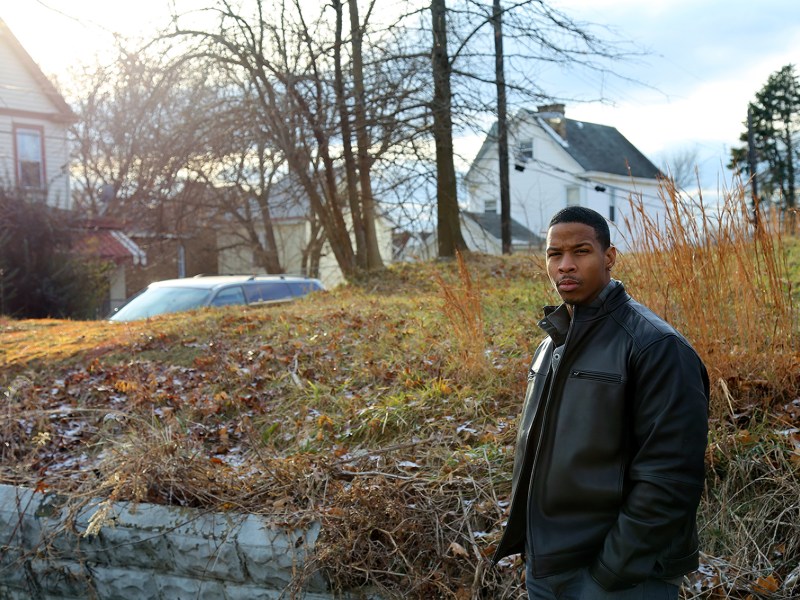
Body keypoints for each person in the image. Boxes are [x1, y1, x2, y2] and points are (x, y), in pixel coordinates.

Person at [493, 206, 709, 599]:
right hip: (548, 569)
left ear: (608, 257)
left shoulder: (656, 346)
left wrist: (608, 574)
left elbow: (671, 478)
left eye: (581, 251)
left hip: (621, 578)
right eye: (554, 255)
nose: (565, 266)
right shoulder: (552, 343)